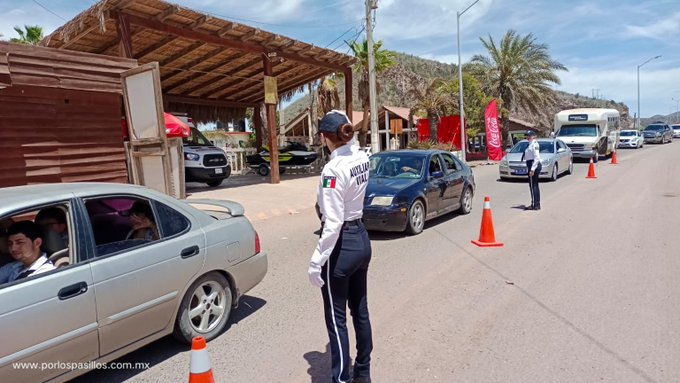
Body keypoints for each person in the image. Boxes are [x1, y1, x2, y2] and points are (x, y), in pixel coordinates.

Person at [308, 110, 373, 383]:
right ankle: (363, 371)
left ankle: (341, 379)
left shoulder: (332, 170)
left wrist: (316, 260)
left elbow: (332, 223)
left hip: (342, 245)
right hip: (362, 238)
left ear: (325, 138)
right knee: (360, 310)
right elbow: (352, 144)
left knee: (336, 321)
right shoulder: (361, 157)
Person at [524, 130, 542, 210]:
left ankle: (535, 205)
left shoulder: (534, 144)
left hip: (533, 165)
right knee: (533, 185)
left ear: (533, 136)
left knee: (533, 185)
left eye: (529, 136)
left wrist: (532, 169)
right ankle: (535, 203)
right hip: (530, 164)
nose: (528, 137)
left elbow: (537, 158)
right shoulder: (530, 144)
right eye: (527, 136)